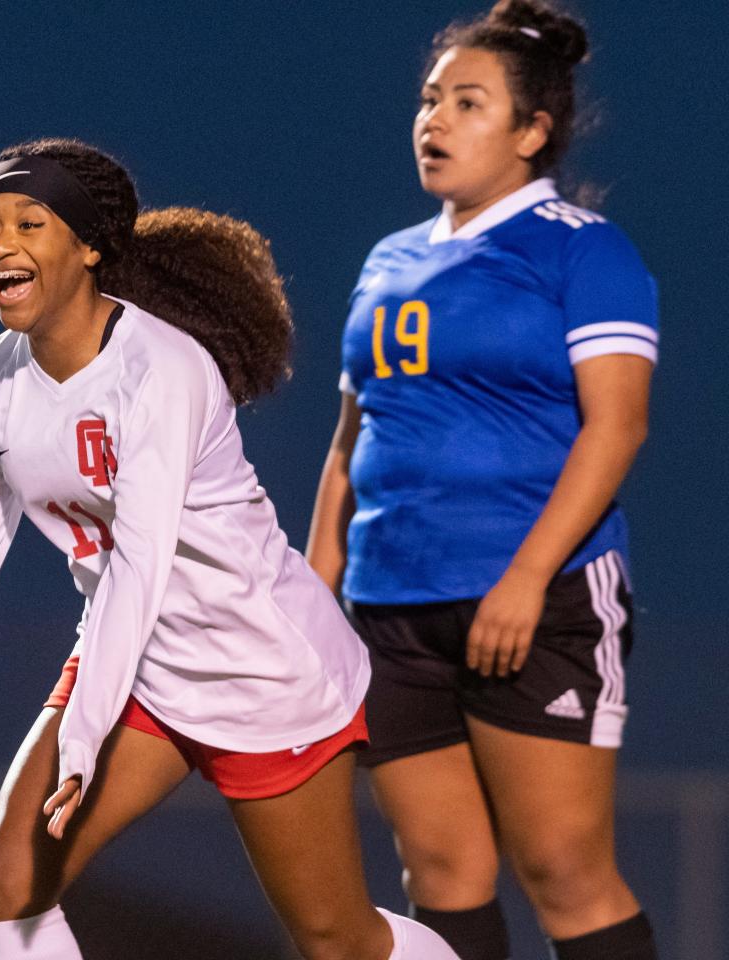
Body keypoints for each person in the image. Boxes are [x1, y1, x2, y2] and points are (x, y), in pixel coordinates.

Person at [0, 137, 460, 960]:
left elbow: (143, 564)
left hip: (260, 671)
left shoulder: (163, 369)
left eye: (28, 223)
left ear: (89, 247)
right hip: (137, 667)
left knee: (339, 941)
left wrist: (82, 741)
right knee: (8, 879)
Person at [306, 3, 659, 959]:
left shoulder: (582, 247)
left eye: (468, 102)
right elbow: (350, 445)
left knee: (564, 874)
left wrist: (524, 577)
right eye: (429, 101)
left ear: (533, 130)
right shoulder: (389, 260)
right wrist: (312, 592)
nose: (436, 120)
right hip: (390, 610)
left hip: (536, 603)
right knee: (441, 876)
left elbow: (617, 425)